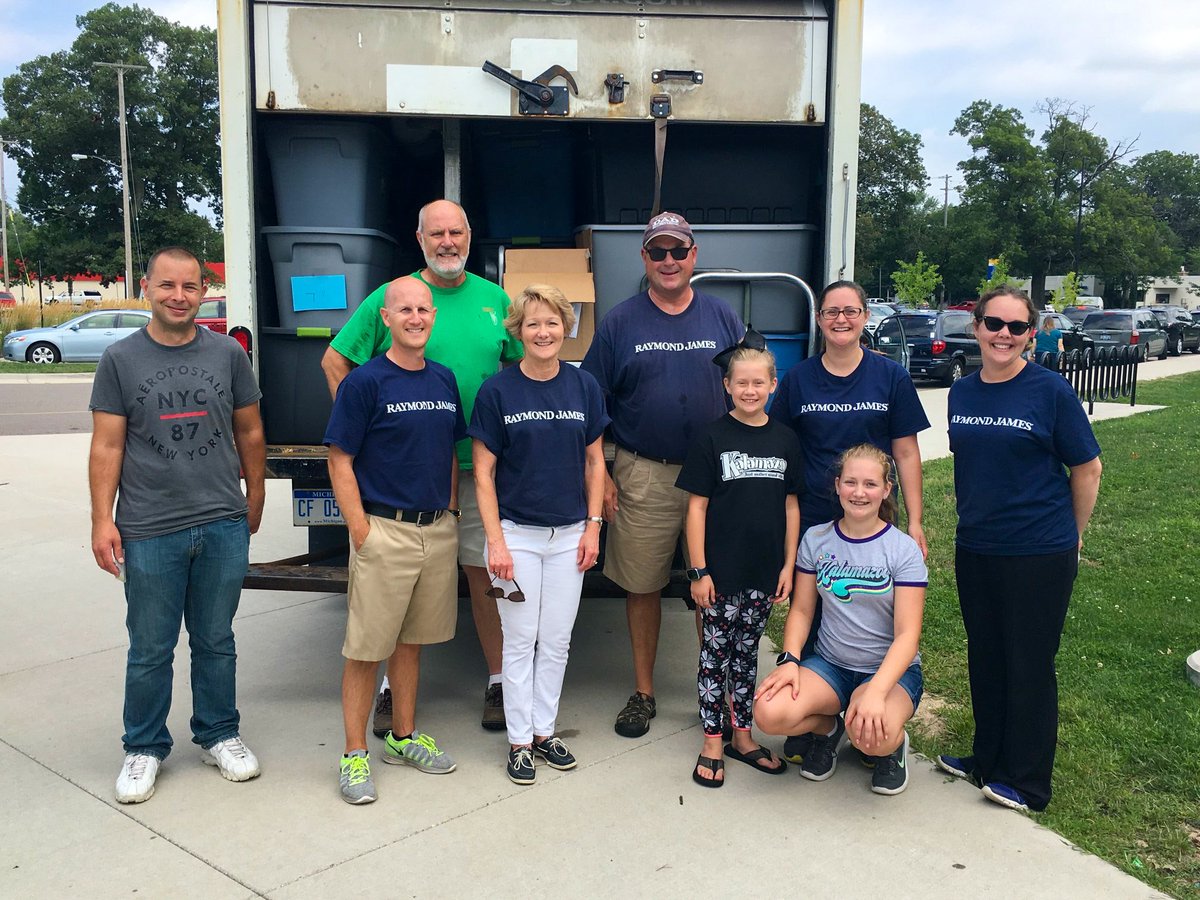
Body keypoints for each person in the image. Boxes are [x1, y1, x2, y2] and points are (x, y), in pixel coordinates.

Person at [321, 199, 522, 735]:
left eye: (456, 232)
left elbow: (520, 366)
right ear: (420, 239)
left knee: (483, 576)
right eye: (437, 234)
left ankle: (498, 681)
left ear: (470, 236)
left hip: (477, 470)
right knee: (395, 592)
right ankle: (389, 693)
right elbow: (335, 361)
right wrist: (366, 432)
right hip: (403, 479)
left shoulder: (495, 299)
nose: (447, 242)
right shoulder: (394, 295)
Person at [89, 246, 267, 804]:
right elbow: (107, 445)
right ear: (146, 288)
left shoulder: (228, 354)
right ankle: (144, 746)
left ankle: (219, 733)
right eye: (167, 285)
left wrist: (256, 493)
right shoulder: (120, 360)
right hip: (149, 527)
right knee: (150, 647)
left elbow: (250, 430)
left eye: (190, 286)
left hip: (221, 521)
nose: (178, 296)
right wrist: (102, 520)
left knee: (216, 639)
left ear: (203, 291)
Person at [937, 286, 1102, 813]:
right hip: (976, 546)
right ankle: (987, 759)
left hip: (1039, 549)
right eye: (994, 323)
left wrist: (1073, 533)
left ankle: (1028, 782)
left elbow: (1088, 468)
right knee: (986, 656)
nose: (1003, 335)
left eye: (1016, 327)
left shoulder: (1049, 391)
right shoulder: (962, 392)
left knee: (1028, 662)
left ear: (1031, 334)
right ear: (977, 327)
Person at [580, 211, 745, 738]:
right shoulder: (619, 322)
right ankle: (644, 692)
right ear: (644, 258)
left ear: (694, 256)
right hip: (643, 472)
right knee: (642, 585)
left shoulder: (723, 316)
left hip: (716, 476)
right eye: (658, 252)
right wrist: (603, 475)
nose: (668, 260)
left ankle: (715, 693)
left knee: (711, 586)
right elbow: (591, 401)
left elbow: (751, 386)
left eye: (678, 251)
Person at [768, 280, 929, 763]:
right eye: (832, 311)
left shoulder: (890, 376)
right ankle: (822, 714)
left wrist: (916, 521)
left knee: (872, 606)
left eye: (851, 311)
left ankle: (876, 702)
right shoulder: (799, 379)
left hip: (872, 512)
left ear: (865, 316)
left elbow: (906, 451)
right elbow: (780, 449)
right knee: (817, 613)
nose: (841, 319)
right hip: (817, 518)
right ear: (819, 319)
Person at [324, 277, 466, 804]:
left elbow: (449, 452)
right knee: (366, 649)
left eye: (423, 310)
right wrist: (361, 531)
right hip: (384, 530)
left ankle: (402, 738)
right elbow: (339, 459)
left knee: (411, 642)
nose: (415, 318)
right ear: (385, 319)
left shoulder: (444, 379)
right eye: (404, 310)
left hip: (436, 529)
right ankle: (354, 753)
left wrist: (451, 511)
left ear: (434, 316)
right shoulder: (365, 383)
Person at [470, 284, 608, 784]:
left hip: (570, 534)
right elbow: (483, 472)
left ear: (566, 327)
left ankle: (545, 732)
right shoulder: (497, 391)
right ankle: (519, 742)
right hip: (517, 535)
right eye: (533, 324)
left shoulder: (583, 386)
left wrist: (593, 526)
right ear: (518, 331)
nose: (543, 332)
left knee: (556, 640)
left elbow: (595, 462)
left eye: (552, 322)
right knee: (519, 640)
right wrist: (496, 541)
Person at [754, 444, 927, 795]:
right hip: (831, 665)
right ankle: (829, 730)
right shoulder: (816, 539)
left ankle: (892, 747)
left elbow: (908, 635)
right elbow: (802, 610)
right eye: (850, 482)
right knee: (768, 712)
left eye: (870, 484)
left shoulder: (902, 549)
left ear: (886, 489)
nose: (859, 492)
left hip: (886, 671)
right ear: (837, 485)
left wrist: (876, 692)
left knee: (872, 736)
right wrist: (790, 660)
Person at [675, 338, 801, 786]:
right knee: (715, 657)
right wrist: (699, 570)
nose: (750, 390)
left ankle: (743, 738)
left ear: (773, 385)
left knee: (747, 655)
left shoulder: (785, 439)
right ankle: (713, 741)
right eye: (741, 383)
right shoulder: (712, 437)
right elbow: (696, 508)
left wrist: (788, 565)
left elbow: (791, 505)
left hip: (764, 572)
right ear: (727, 386)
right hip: (721, 574)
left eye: (758, 383)